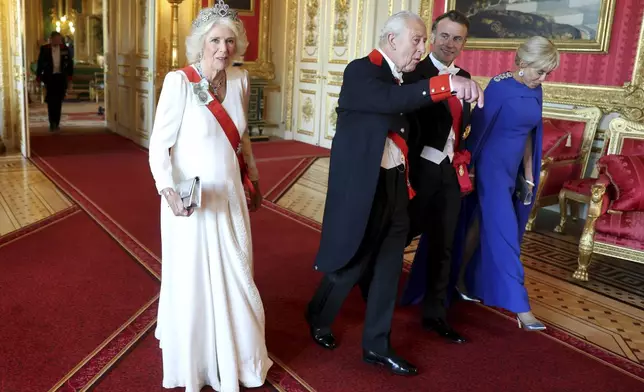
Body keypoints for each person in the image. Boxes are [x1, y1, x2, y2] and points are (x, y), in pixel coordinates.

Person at [305, 11, 483, 376]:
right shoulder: (362, 71)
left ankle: (376, 345)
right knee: (353, 262)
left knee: (388, 269)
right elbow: (391, 100)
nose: (423, 48)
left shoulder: (401, 76)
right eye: (417, 40)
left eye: (421, 41)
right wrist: (446, 84)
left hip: (397, 184)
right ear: (392, 41)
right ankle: (319, 316)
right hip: (365, 188)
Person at [148, 2, 272, 391]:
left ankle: (236, 354)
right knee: (194, 281)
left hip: (230, 195)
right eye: (215, 40)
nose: (223, 48)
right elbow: (159, 147)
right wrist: (167, 190)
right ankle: (198, 360)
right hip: (191, 203)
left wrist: (253, 175)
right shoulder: (179, 82)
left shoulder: (240, 80)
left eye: (230, 40)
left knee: (237, 273)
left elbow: (242, 136)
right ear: (201, 43)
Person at [450, 36, 560, 330]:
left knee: (480, 223)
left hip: (513, 171)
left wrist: (528, 172)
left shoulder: (535, 89)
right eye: (539, 71)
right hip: (490, 169)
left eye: (548, 72)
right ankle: (522, 309)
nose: (543, 78)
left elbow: (529, 133)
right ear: (521, 63)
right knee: (506, 232)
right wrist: (468, 169)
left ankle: (457, 279)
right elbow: (478, 132)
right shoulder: (499, 88)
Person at [398, 10, 477, 344]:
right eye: (444, 36)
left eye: (457, 38)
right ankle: (370, 287)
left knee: (444, 244)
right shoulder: (415, 73)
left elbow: (462, 129)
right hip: (417, 172)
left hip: (449, 174)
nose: (450, 44)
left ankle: (435, 315)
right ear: (432, 35)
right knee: (398, 236)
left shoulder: (467, 77)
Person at [36, 31, 74, 132]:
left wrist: (70, 79)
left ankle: (56, 122)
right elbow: (40, 64)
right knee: (51, 101)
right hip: (50, 78)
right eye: (56, 39)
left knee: (58, 101)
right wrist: (38, 78)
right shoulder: (45, 49)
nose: (59, 41)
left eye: (59, 39)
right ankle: (51, 122)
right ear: (51, 39)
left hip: (61, 78)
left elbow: (70, 64)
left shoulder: (64, 49)